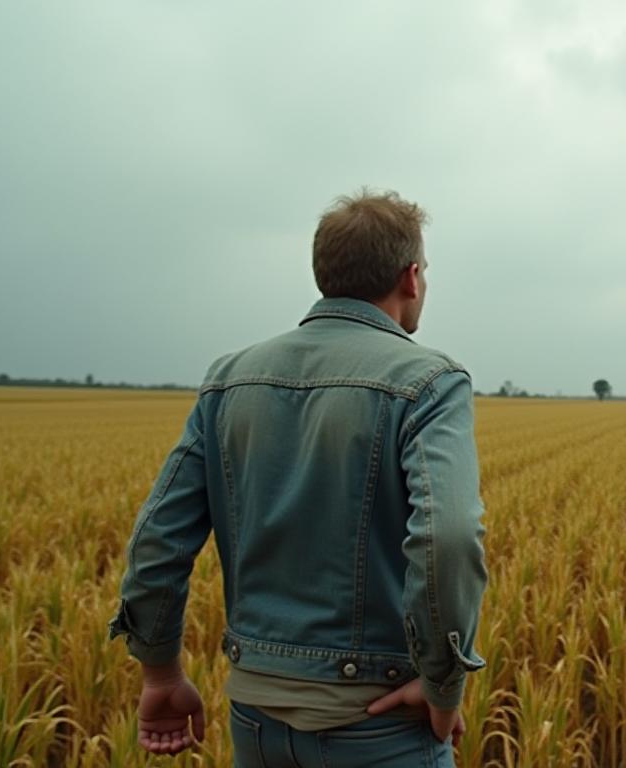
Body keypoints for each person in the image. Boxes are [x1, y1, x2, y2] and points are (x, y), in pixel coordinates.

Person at [108, 189, 488, 767]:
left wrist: (160, 673)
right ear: (410, 277)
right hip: (379, 722)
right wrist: (442, 684)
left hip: (255, 722)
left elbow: (158, 538)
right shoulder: (430, 381)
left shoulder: (228, 379)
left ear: (324, 273)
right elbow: (450, 536)